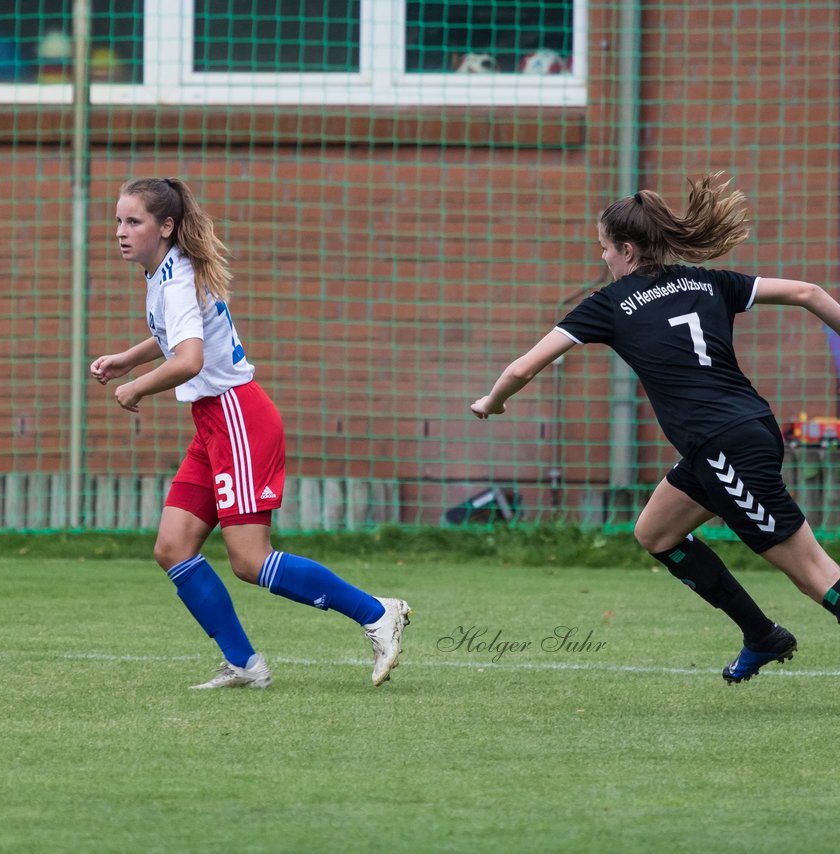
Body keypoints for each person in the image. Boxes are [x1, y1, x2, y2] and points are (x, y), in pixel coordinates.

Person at [471, 172, 840, 683]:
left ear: (625, 248)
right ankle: (763, 636)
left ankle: (767, 634)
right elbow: (808, 290)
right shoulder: (708, 281)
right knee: (657, 533)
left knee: (814, 573)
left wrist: (492, 401)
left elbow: (521, 369)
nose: (601, 258)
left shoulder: (610, 304)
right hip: (745, 429)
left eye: (603, 248)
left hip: (724, 447)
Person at [91, 177, 410, 689]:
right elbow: (175, 335)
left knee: (249, 560)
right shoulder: (165, 271)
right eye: (118, 221)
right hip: (214, 424)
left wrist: (136, 389)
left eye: (133, 222)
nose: (120, 233)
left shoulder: (173, 278)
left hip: (239, 418)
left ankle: (377, 613)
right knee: (173, 546)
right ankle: (243, 663)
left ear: (166, 227)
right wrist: (129, 359)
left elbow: (189, 359)